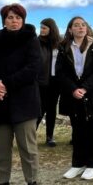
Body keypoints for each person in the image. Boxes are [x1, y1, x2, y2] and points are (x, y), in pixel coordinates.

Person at [0, 3, 43, 185]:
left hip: (24, 103)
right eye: (10, 17)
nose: (14, 21)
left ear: (23, 20)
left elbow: (33, 68)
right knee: (2, 149)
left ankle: (32, 183)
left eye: (17, 17)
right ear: (3, 20)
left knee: (28, 148)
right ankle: (3, 184)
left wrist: (5, 83)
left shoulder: (31, 40)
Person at [56, 16, 93, 180]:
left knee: (92, 129)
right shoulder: (63, 47)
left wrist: (85, 87)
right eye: (76, 25)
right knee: (77, 130)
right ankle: (78, 164)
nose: (80, 28)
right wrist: (73, 89)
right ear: (70, 29)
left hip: (91, 93)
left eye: (83, 25)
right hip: (72, 94)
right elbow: (60, 72)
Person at [37, 17, 61, 147]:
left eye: (44, 28)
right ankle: (29, 136)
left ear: (51, 29)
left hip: (55, 82)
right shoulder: (37, 42)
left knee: (51, 110)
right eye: (41, 27)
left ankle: (49, 137)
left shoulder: (59, 43)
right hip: (41, 81)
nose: (42, 30)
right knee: (40, 109)